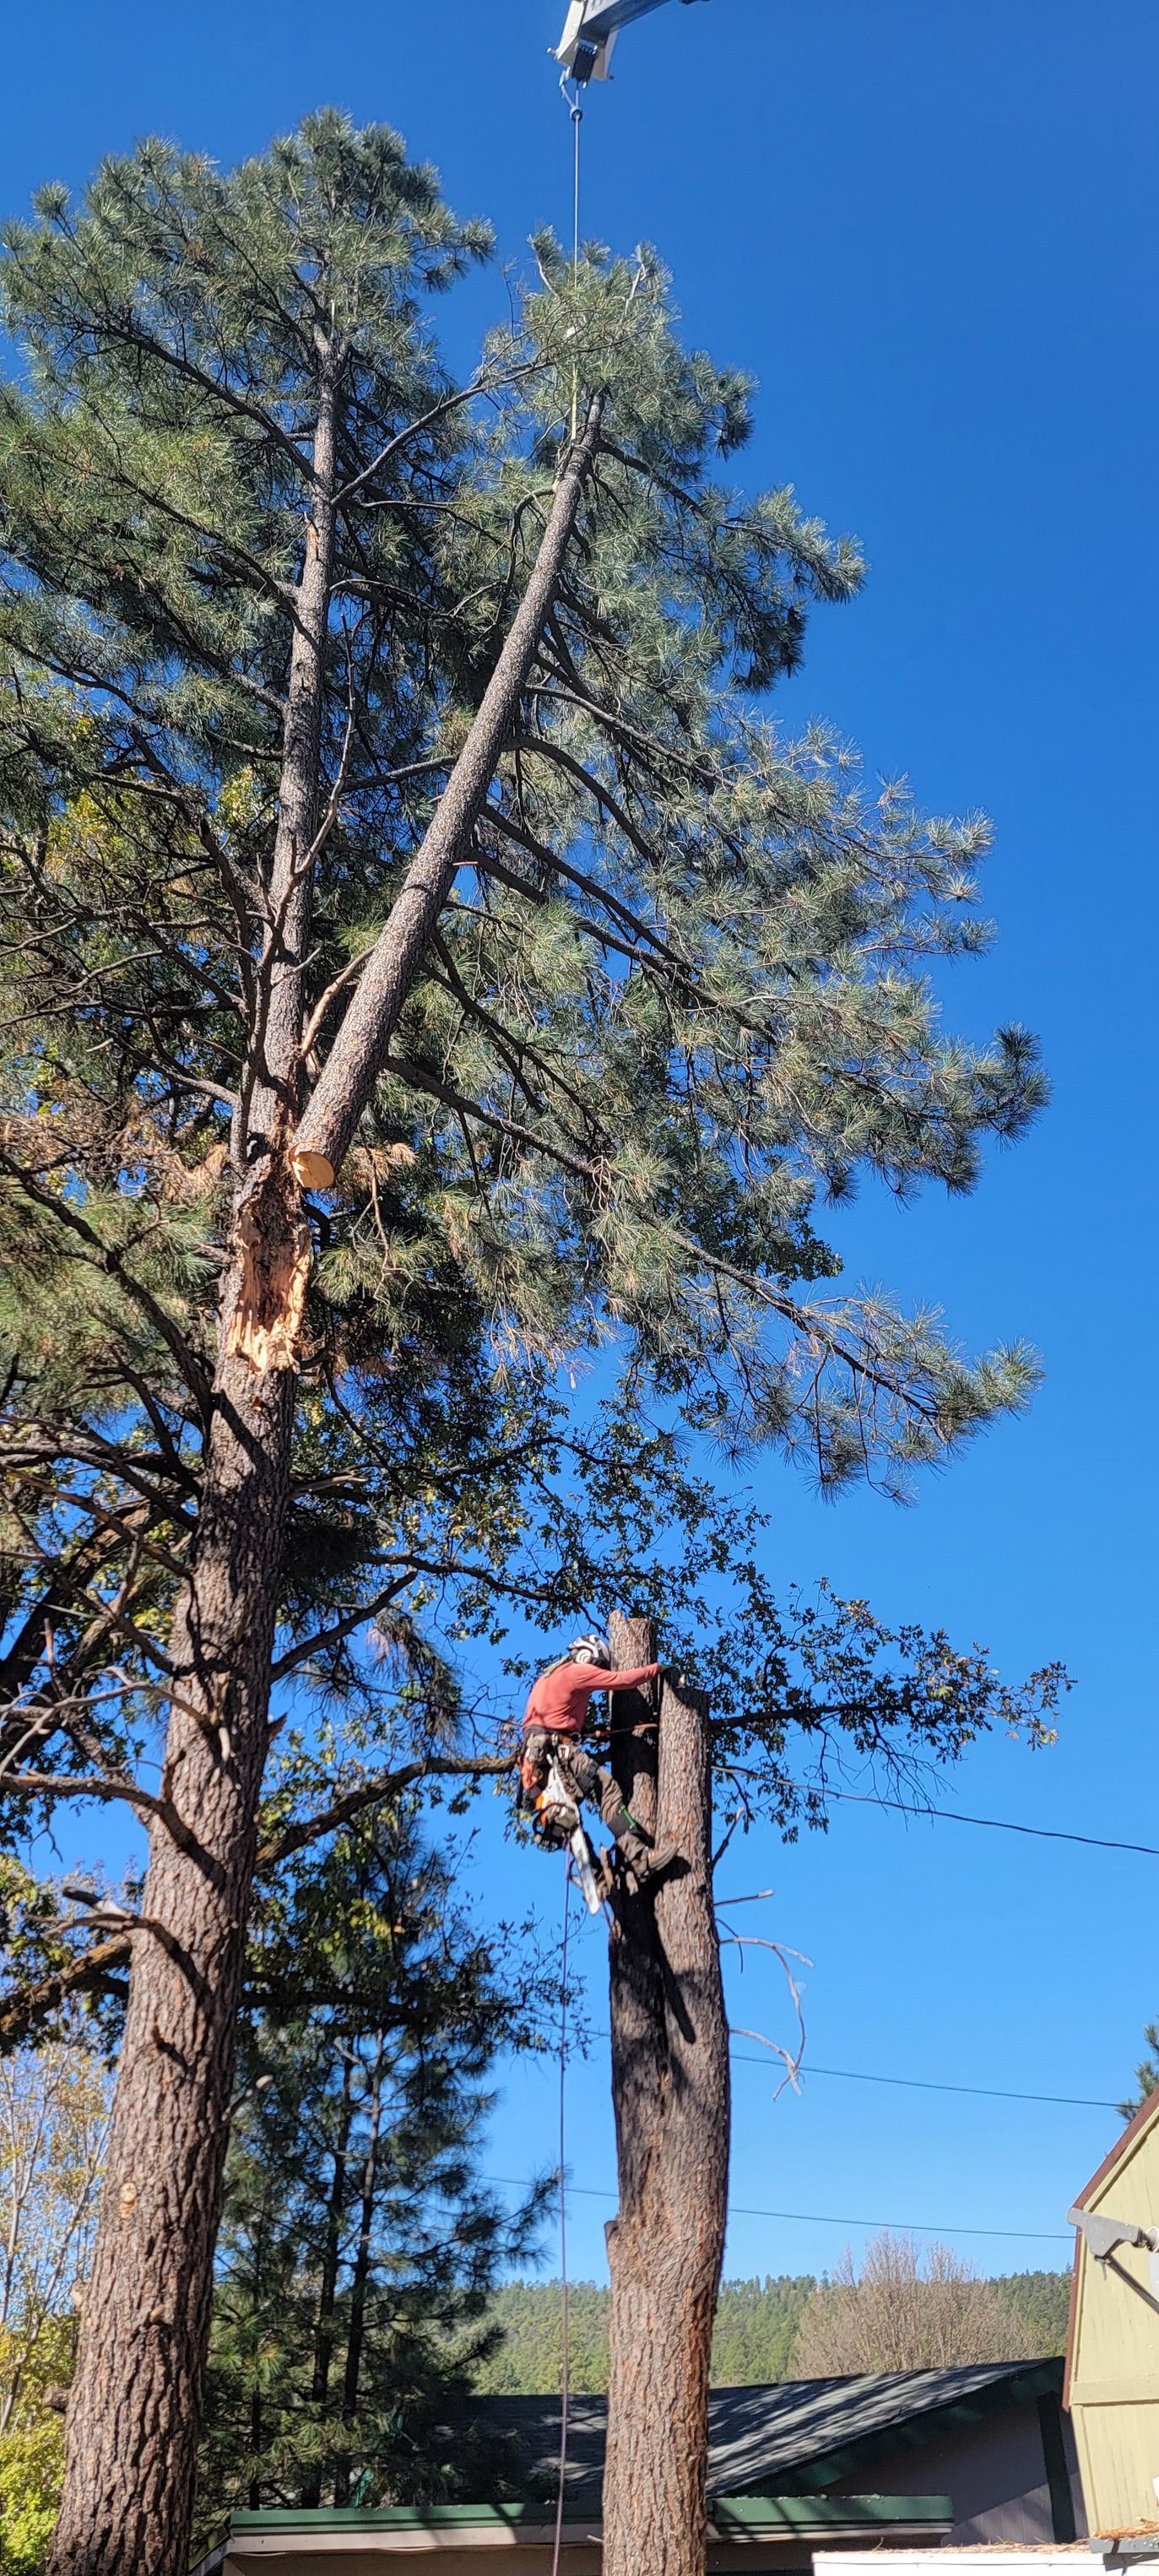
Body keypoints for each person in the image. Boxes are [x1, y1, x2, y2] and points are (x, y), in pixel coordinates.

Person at [520, 1633, 679, 1886]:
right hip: (557, 1750)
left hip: (534, 1760)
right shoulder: (576, 1672)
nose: (598, 1671)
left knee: (564, 1815)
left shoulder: (547, 1677)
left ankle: (595, 1875)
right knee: (606, 1788)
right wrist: (656, 1669)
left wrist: (584, 1732)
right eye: (598, 1665)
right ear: (588, 1655)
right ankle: (640, 1857)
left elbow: (555, 1716)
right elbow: (621, 1680)